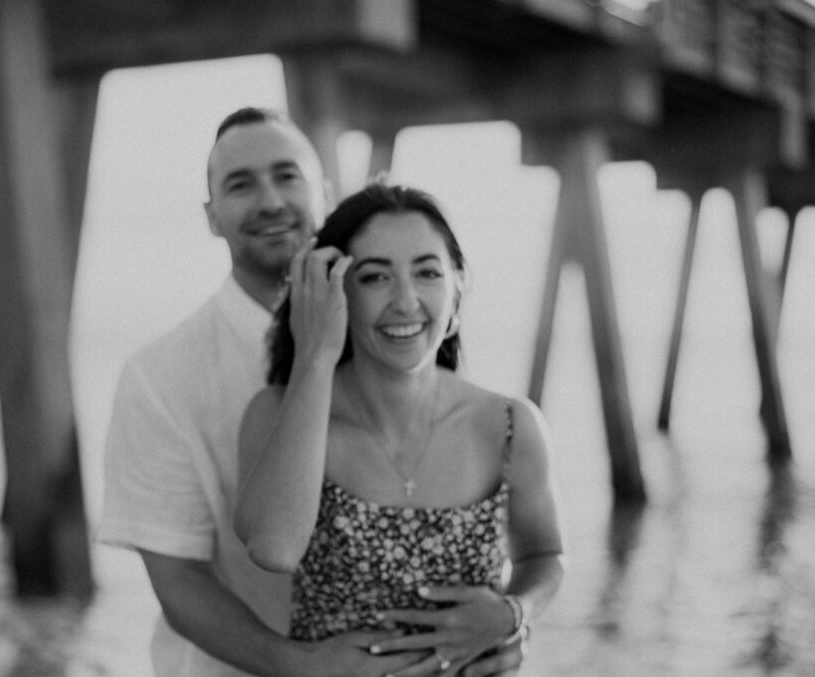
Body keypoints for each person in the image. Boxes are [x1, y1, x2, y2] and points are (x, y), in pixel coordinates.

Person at [99, 108, 526, 676]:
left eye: (287, 175)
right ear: (211, 216)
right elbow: (178, 583)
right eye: (240, 184)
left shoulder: (400, 336)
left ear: (323, 192)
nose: (271, 201)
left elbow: (503, 536)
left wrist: (512, 617)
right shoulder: (159, 376)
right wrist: (301, 664)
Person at [236, 184, 565, 674]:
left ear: (456, 289)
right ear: (336, 293)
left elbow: (546, 555)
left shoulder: (510, 426)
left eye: (428, 272)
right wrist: (316, 353)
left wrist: (513, 614)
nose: (406, 301)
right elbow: (275, 549)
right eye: (374, 277)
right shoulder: (279, 412)